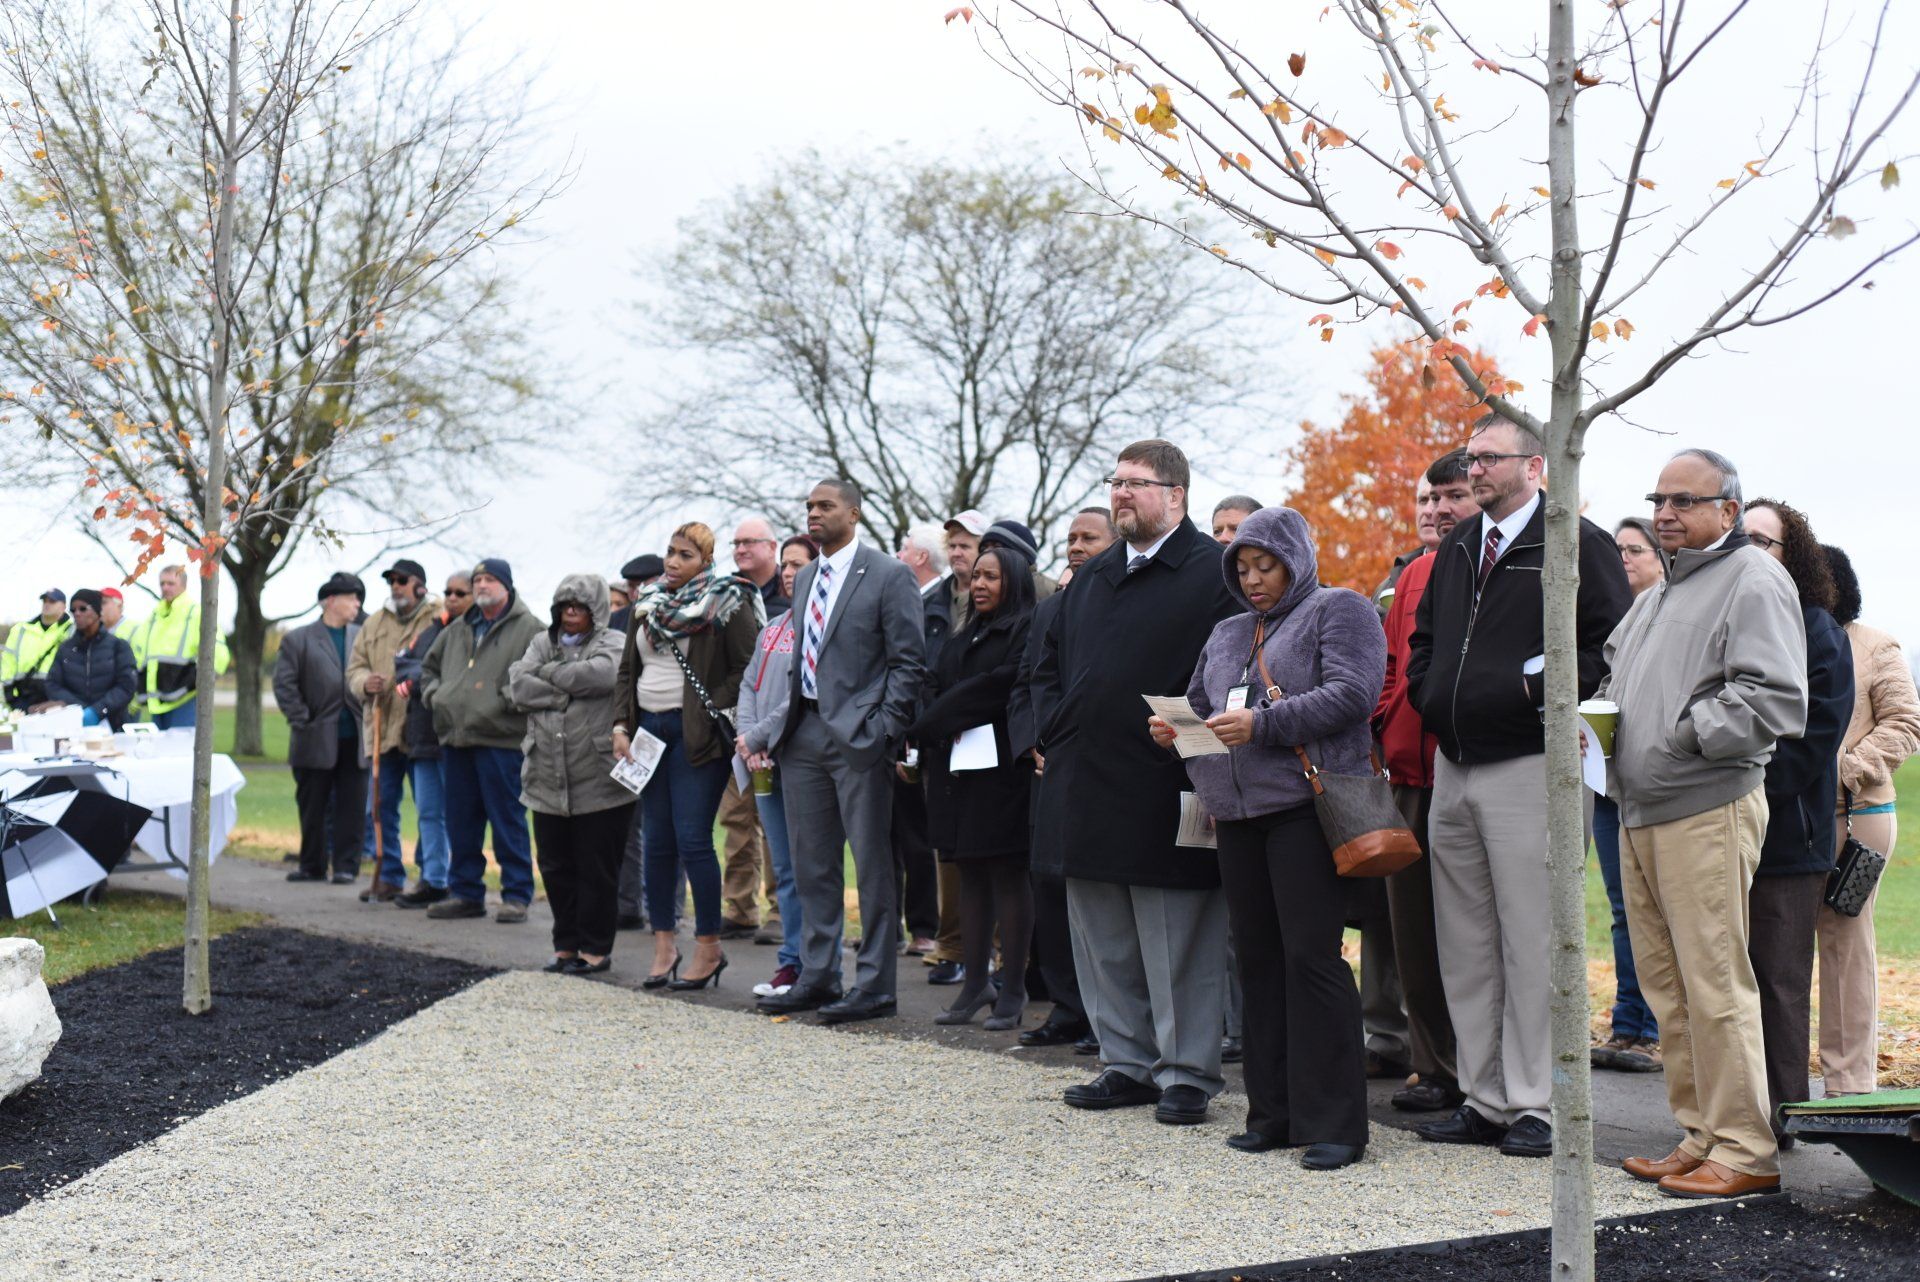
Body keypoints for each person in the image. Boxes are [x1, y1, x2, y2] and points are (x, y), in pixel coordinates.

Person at [1406, 416, 1632, 1159]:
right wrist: (1427, 691)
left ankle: (1539, 1103)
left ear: (1535, 465)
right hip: (1455, 764)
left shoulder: (1575, 542)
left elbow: (1611, 647)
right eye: (1470, 459)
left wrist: (1537, 690)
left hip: (1530, 765)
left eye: (1488, 458)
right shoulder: (1460, 546)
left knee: (1533, 942)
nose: (1474, 470)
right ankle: (1485, 1097)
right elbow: (1427, 642)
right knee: (1465, 944)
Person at [1604, 447, 1806, 1200]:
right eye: (1658, 499)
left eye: (1684, 501)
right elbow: (1621, 677)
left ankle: (1748, 1148)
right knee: (1668, 986)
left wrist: (1682, 737)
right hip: (1640, 807)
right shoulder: (1660, 592)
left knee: (1715, 983)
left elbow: (1777, 699)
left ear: (1728, 510)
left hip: (1704, 806)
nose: (1664, 513)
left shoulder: (1754, 578)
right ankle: (1702, 1136)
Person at [1169, 506, 1385, 1169]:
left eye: (1266, 565)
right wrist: (1179, 728)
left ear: (1297, 559)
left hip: (1304, 807)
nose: (1254, 578)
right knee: (1257, 962)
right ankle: (1273, 1112)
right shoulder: (1228, 630)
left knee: (1310, 959)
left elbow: (1354, 694)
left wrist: (1261, 724)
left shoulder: (1338, 609)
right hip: (1235, 813)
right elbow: (1205, 708)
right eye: (1243, 567)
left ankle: (1338, 1124)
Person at [1034, 439, 1238, 1126]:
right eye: (1115, 482)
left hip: (1172, 777)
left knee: (1179, 935)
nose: (1121, 494)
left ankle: (1185, 1073)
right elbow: (1048, 666)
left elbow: (1232, 675)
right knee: (1103, 933)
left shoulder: (1214, 572)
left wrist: (1196, 741)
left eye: (1136, 484)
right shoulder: (1093, 579)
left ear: (1176, 495)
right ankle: (1125, 1061)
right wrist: (1050, 731)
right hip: (1086, 779)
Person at [757, 479, 927, 1024]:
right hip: (801, 734)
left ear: (853, 512)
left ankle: (876, 985)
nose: (813, 514)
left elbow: (908, 663)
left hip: (859, 739)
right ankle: (820, 974)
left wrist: (883, 730)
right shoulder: (805, 576)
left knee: (873, 865)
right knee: (812, 865)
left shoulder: (889, 574)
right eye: (808, 506)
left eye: (825, 506)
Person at [1743, 498, 1854, 1145]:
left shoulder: (1818, 629)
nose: (1753, 551)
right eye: (1744, 539)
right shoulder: (1734, 619)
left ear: (1795, 556)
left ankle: (1782, 1117)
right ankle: (1734, 1112)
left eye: (1767, 541)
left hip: (1786, 837)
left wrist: (1745, 794)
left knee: (1780, 987)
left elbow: (1814, 736)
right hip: (1719, 831)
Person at [611, 523, 763, 992]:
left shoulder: (727, 601)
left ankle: (709, 946)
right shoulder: (647, 605)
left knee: (693, 839)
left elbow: (747, 665)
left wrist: (710, 703)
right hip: (647, 733)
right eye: (670, 553)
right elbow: (625, 672)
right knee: (657, 842)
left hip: (696, 735)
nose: (673, 562)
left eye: (686, 555)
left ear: (706, 561)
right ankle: (664, 945)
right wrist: (621, 725)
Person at [1372, 448, 1479, 1113]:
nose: (1438, 510)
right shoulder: (1412, 576)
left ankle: (1481, 1071)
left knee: (1470, 933)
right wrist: (1385, 724)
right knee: (1412, 932)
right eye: (1429, 499)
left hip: (1469, 769)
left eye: (1453, 497)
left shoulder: (1497, 569)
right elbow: (1389, 665)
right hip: (1408, 776)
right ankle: (1433, 1065)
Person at [912, 543, 1039, 1030]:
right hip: (957, 769)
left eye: (992, 577)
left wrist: (933, 718)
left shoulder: (1025, 628)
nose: (980, 585)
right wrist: (929, 713)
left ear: (1014, 583)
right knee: (969, 874)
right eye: (977, 577)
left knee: (1006, 874)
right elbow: (934, 679)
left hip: (1001, 770)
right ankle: (973, 983)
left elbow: (998, 686)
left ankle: (1013, 987)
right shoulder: (967, 630)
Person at [1815, 545, 1920, 1096]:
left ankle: (1849, 1081)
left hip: (1857, 815)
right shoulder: (1774, 636)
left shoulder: (1876, 645)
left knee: (1846, 944)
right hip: (1782, 816)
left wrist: (1846, 770)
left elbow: (1905, 722)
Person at [1011, 506, 1114, 1052]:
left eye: (1088, 537)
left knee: (1099, 892)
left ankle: (1110, 1019)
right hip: (1049, 768)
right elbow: (1028, 681)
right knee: (1049, 889)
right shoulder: (1050, 609)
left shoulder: (1122, 605)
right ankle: (1067, 1007)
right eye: (1071, 538)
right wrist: (1034, 742)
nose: (1075, 546)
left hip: (1102, 768)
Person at [509, 574, 633, 975]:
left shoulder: (614, 641)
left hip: (598, 779)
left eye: (579, 606)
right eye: (565, 606)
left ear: (596, 611)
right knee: (556, 866)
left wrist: (545, 675)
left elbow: (600, 675)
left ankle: (595, 949)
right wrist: (565, 688)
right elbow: (517, 685)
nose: (571, 613)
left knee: (596, 869)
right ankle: (565, 945)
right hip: (546, 778)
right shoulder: (541, 642)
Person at [421, 559, 543, 923]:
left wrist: (505, 698)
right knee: (461, 822)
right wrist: (436, 696)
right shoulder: (457, 629)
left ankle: (517, 895)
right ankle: (466, 893)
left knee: (507, 820)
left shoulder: (531, 628)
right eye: (477, 580)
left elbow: (542, 673)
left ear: (506, 586)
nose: (482, 585)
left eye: (490, 579)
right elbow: (428, 667)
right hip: (457, 739)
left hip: (502, 741)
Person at [1590, 516, 1665, 1073]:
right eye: (1616, 550)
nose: (1623, 559)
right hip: (1606, 781)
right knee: (1622, 908)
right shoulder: (1604, 619)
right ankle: (1626, 1025)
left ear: (1661, 560)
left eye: (1634, 550)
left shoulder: (1667, 615)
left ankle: (1655, 1028)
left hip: (1656, 784)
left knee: (1657, 910)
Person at [737, 535, 822, 996]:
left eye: (797, 564)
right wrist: (749, 741)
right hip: (763, 760)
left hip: (800, 760)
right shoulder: (773, 624)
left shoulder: (820, 626)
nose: (788, 573)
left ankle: (815, 964)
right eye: (785, 566)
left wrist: (755, 735)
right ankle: (790, 963)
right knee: (784, 870)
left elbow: (799, 695)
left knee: (808, 868)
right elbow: (751, 683)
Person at [346, 559, 442, 902]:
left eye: (402, 580)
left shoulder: (439, 616)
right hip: (383, 725)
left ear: (420, 584)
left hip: (422, 726)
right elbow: (354, 667)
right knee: (382, 805)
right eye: (391, 581)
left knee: (430, 806)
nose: (395, 586)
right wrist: (364, 682)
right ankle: (389, 875)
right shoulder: (374, 623)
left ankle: (430, 876)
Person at [274, 574, 369, 886]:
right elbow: (284, 685)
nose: (358, 603)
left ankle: (346, 867)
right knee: (313, 805)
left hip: (355, 738)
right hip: (315, 737)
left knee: (352, 807)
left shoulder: (363, 637)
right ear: (330, 600)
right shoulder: (298, 639)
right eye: (352, 597)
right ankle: (312, 864)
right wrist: (303, 719)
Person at [891, 522, 951, 958]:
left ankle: (927, 927)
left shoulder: (937, 607)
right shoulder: (911, 602)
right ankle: (899, 925)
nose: (897, 555)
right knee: (893, 833)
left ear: (921, 558)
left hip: (922, 734)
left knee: (920, 836)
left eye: (903, 548)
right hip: (902, 731)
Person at [389, 572, 463, 908]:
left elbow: (457, 675)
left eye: (459, 592)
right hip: (422, 736)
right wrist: (423, 677)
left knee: (458, 813)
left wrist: (424, 677)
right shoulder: (431, 630)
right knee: (429, 813)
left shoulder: (473, 633)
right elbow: (404, 666)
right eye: (448, 591)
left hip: (456, 736)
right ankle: (434, 880)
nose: (452, 597)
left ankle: (461, 882)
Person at [610, 551, 665, 928]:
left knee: (666, 829)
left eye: (643, 584)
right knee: (627, 823)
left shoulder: (677, 615)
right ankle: (627, 904)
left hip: (665, 727)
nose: (635, 592)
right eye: (631, 586)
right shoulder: (616, 621)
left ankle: (666, 911)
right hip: (630, 732)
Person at [128, 563, 230, 729]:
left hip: (185, 699)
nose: (165, 588)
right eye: (162, 583)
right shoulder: (155, 616)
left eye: (170, 583)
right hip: (157, 702)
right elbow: (138, 654)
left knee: (180, 752)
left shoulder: (195, 613)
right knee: (162, 753)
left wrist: (201, 682)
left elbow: (218, 655)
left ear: (184, 585)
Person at [39, 589, 137, 729]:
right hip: (74, 726)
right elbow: (52, 685)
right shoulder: (65, 649)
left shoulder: (118, 646)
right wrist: (80, 709)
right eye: (73, 610)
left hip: (115, 725)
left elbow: (126, 686)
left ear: (97, 611)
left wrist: (98, 711)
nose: (77, 613)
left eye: (83, 608)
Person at [2, 589, 72, 712]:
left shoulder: (72, 630)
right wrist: (11, 698)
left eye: (52, 601)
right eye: (44, 600)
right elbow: (8, 663)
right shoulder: (20, 630)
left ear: (63, 606)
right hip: (25, 698)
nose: (47, 604)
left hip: (59, 699)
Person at [980, 518, 1059, 600]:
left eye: (997, 547)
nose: (986, 553)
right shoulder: (977, 590)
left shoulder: (1050, 591)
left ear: (1021, 555)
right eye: (983, 548)